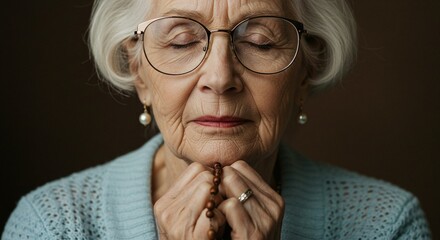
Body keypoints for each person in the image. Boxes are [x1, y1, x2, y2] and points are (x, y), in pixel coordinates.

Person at [2, 0, 432, 239]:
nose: (220, 77)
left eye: (261, 42)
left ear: (305, 72)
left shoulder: (385, 224)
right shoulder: (52, 224)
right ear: (139, 74)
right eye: (182, 41)